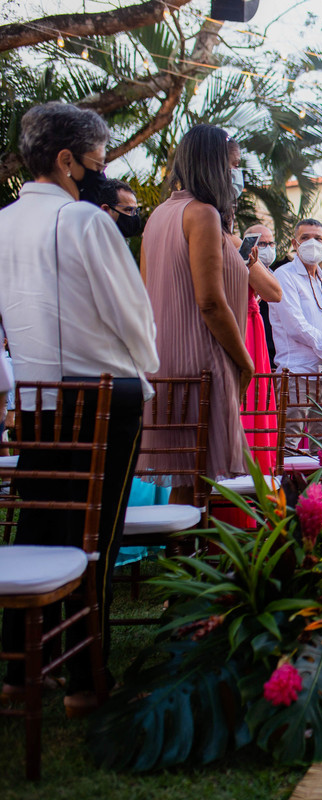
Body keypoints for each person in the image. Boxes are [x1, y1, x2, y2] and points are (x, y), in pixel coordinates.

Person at [0, 102, 159, 712]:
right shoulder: (86, 222)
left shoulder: (5, 221)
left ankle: (19, 675)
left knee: (39, 527)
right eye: (98, 161)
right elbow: (132, 313)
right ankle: (87, 680)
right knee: (97, 535)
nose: (102, 171)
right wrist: (145, 366)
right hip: (102, 395)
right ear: (66, 160)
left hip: (36, 395)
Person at [139, 123, 252, 494]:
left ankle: (180, 552)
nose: (238, 174)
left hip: (167, 363)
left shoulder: (159, 216)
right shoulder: (202, 214)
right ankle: (194, 553)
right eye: (234, 165)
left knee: (187, 484)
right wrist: (244, 360)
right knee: (200, 488)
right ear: (215, 165)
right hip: (202, 360)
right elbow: (210, 302)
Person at [268, 219, 322, 455]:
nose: (311, 243)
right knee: (289, 442)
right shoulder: (283, 275)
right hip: (297, 372)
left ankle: (319, 492)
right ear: (294, 243)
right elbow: (296, 326)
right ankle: (285, 492)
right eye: (305, 238)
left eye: (317, 238)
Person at [238, 222, 282, 473]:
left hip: (255, 333)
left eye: (270, 243)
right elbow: (276, 294)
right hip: (247, 330)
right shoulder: (239, 256)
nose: (266, 248)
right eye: (260, 243)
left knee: (258, 401)